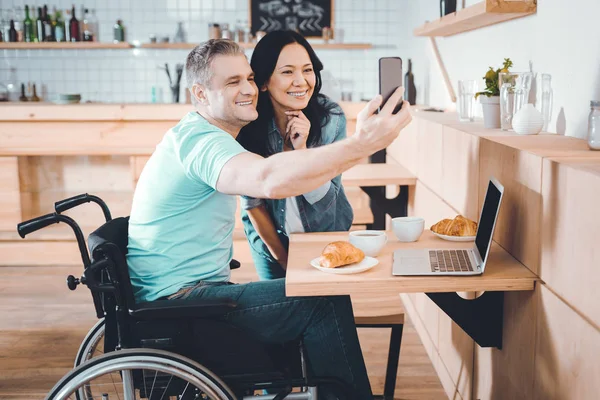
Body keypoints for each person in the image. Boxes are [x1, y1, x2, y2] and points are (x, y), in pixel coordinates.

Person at [126, 38, 411, 399]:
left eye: (248, 78)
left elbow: (277, 177)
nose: (247, 89)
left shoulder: (202, 133)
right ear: (200, 93)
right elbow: (266, 180)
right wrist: (363, 144)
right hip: (180, 305)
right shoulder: (203, 143)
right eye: (232, 83)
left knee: (314, 295)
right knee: (323, 300)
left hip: (188, 294)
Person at [237, 30, 353, 280]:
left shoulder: (330, 120)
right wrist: (285, 261)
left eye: (307, 70)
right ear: (264, 82)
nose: (301, 81)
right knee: (282, 311)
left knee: (326, 310)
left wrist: (302, 154)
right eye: (288, 72)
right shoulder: (248, 126)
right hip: (270, 243)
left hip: (326, 237)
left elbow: (326, 206)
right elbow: (253, 205)